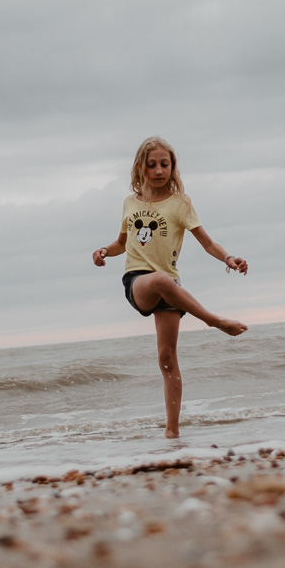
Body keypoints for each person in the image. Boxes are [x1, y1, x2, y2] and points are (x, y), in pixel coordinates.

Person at [92, 137, 248, 438]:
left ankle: (172, 433)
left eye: (165, 164)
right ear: (141, 168)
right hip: (139, 281)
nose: (159, 170)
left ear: (172, 167)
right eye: (152, 165)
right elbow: (122, 244)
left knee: (166, 358)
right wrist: (102, 252)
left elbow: (207, 242)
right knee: (161, 279)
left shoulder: (181, 204)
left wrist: (228, 257)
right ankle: (214, 321)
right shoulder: (130, 203)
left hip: (170, 287)